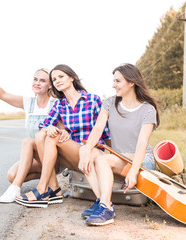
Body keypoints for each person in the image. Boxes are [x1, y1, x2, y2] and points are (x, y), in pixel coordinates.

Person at [15, 64, 110, 208]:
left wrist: (110, 157)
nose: (57, 81)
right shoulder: (60, 104)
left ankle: (43, 189)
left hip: (90, 152)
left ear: (71, 78)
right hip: (72, 155)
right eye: (54, 79)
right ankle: (52, 188)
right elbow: (43, 126)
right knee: (42, 135)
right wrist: (50, 127)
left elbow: (105, 131)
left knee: (50, 137)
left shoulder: (92, 100)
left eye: (61, 76)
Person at [79, 63, 159, 226]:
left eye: (118, 81)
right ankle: (102, 201)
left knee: (102, 160)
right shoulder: (109, 103)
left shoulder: (148, 109)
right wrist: (86, 150)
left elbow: (142, 144)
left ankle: (106, 209)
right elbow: (98, 129)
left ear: (131, 82)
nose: (113, 85)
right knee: (85, 151)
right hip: (119, 157)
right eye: (113, 81)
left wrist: (133, 172)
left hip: (142, 160)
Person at [0, 67, 66, 203]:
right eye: (35, 79)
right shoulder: (28, 103)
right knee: (11, 175)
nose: (37, 83)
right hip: (37, 155)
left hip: (54, 157)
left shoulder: (55, 104)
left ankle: (15, 188)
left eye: (42, 81)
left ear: (50, 85)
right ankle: (49, 182)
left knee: (28, 141)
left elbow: (63, 131)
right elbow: (3, 95)